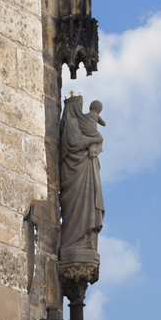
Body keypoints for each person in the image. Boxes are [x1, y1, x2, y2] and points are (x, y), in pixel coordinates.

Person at [58, 95, 105, 264]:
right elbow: (75, 143)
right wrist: (96, 139)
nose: (80, 110)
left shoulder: (77, 123)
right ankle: (73, 242)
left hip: (86, 169)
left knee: (88, 204)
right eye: (78, 106)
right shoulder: (70, 123)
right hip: (75, 172)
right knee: (76, 207)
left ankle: (86, 242)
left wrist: (96, 142)